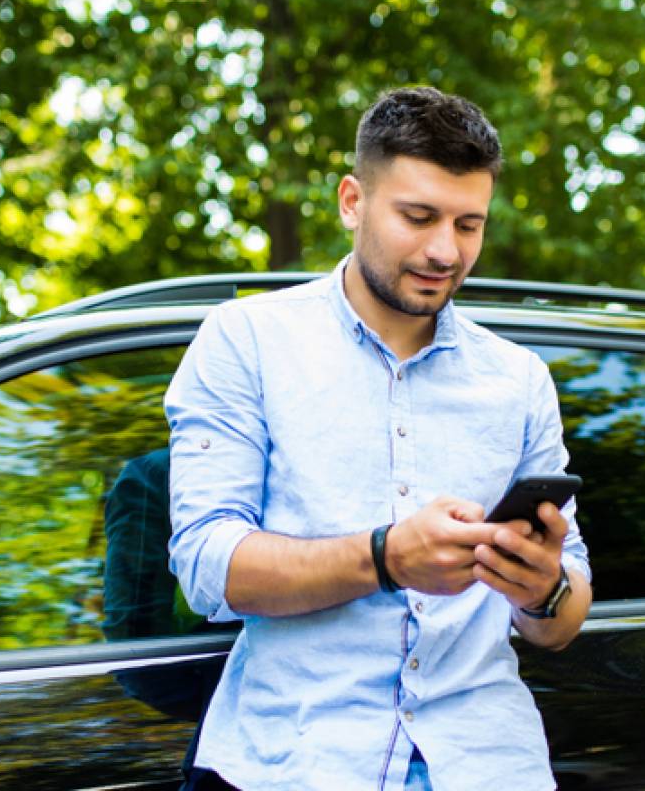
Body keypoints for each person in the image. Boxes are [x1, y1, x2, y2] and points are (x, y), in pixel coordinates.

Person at [165, 86, 592, 791]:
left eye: (468, 224)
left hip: (488, 767)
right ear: (352, 202)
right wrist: (387, 557)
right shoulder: (246, 342)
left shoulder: (518, 380)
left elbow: (560, 619)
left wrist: (543, 588)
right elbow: (209, 568)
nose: (444, 250)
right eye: (418, 217)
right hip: (291, 767)